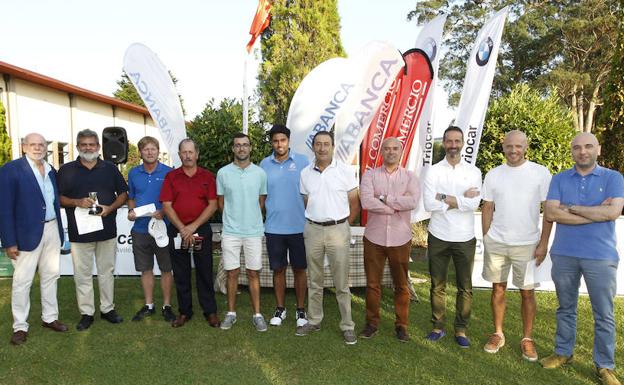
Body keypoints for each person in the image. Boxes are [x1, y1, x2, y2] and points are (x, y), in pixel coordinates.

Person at [541, 133, 624, 385]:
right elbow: (551, 212)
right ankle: (563, 352)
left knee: (604, 313)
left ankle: (605, 366)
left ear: (597, 149)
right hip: (564, 253)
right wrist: (596, 212)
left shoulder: (613, 178)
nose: (582, 151)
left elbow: (613, 211)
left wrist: (573, 208)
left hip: (600, 256)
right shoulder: (559, 178)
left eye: (588, 146)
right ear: (572, 151)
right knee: (565, 307)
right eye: (577, 147)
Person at [480, 130, 553, 361]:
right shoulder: (493, 174)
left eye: (518, 146)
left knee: (527, 292)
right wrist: (487, 237)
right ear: (503, 147)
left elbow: (548, 211)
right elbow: (487, 207)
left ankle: (527, 338)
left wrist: (543, 243)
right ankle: (498, 334)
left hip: (528, 243)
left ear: (526, 147)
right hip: (498, 242)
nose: (513, 150)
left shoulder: (540, 173)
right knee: (497, 289)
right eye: (509, 146)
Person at [0, 133, 68, 345]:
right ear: (23, 147)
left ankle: (50, 318)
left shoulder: (50, 170)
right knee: (22, 282)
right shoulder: (11, 170)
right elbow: (4, 208)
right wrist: (9, 241)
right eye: (33, 144)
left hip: (52, 229)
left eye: (41, 145)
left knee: (50, 276)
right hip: (25, 235)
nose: (37, 148)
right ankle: (20, 326)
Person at [57, 129, 128, 331]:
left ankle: (107, 309)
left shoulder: (110, 168)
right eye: (84, 144)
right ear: (78, 146)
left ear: (98, 146)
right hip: (80, 233)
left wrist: (111, 208)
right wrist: (76, 202)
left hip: (106, 229)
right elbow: (59, 198)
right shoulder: (67, 170)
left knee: (107, 271)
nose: (88, 147)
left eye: (92, 144)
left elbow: (123, 193)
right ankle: (86, 313)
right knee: (82, 274)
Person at [296, 131, 360, 345]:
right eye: (318, 144)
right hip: (313, 229)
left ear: (333, 147)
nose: (322, 148)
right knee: (314, 280)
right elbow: (307, 202)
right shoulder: (305, 173)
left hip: (338, 230)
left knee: (341, 283)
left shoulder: (345, 171)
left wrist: (342, 226)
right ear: (313, 147)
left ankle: (347, 325)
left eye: (326, 144)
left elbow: (354, 203)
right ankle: (314, 320)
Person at [422, 126, 482, 348]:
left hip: (464, 236)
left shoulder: (473, 172)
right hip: (438, 234)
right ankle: (438, 326)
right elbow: (429, 203)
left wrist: (443, 197)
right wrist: (460, 199)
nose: (453, 145)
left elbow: (473, 203)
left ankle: (461, 329)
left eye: (457, 140)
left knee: (465, 286)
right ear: (444, 143)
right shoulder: (434, 171)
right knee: (437, 285)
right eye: (449, 141)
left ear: (463, 142)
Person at [359, 137, 419, 342]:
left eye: (395, 148)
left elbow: (412, 201)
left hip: (400, 238)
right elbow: (367, 201)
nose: (391, 151)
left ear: (401, 152)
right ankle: (371, 323)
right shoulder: (369, 175)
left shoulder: (410, 177)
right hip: (374, 238)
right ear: (381, 152)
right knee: (373, 284)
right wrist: (395, 207)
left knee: (402, 285)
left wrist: (386, 199)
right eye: (387, 148)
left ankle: (401, 326)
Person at [161, 139, 220, 328]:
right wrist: (182, 227)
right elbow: (167, 205)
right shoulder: (171, 177)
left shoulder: (207, 177)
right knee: (181, 272)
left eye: (190, 152)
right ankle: (185, 311)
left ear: (197, 154)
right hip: (177, 230)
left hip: (200, 229)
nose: (187, 155)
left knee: (204, 270)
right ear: (179, 155)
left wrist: (192, 227)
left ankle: (210, 311)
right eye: (183, 152)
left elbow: (213, 205)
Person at [217, 133, 268, 332]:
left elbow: (261, 201)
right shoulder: (223, 173)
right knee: (232, 273)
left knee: (254, 272)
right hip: (230, 231)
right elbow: (221, 203)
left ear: (250, 148)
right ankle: (231, 313)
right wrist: (233, 219)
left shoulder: (260, 173)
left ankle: (257, 315)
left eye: (245, 145)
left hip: (254, 231)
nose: (241, 149)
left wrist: (249, 218)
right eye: (237, 145)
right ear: (233, 149)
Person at [260, 124, 310, 328]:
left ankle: (300, 310)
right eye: (275, 141)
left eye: (283, 140)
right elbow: (261, 196)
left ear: (288, 141)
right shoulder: (264, 164)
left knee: (300, 269)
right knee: (278, 270)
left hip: (299, 227)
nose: (279, 144)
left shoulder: (303, 161)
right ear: (271, 142)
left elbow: (310, 193)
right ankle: (280, 309)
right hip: (273, 228)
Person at [127, 136, 175, 322]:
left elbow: (173, 200)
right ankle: (149, 305)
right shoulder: (133, 173)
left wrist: (163, 211)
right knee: (146, 269)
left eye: (153, 149)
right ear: (140, 152)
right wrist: (131, 210)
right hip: (140, 229)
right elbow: (131, 196)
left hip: (163, 228)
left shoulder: (169, 172)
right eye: (145, 149)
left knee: (166, 268)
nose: (149, 152)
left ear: (158, 151)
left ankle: (167, 305)